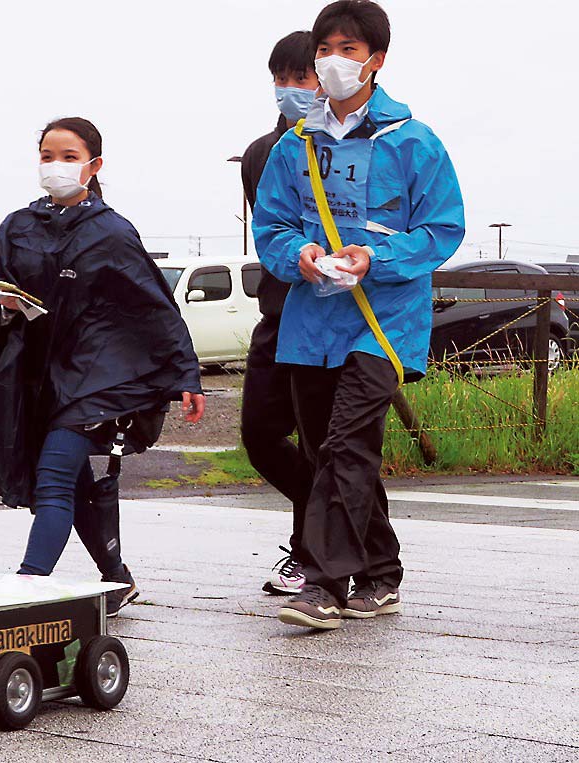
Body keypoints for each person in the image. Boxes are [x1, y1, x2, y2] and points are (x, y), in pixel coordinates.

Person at [252, 0, 464, 629]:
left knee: (345, 442)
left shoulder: (415, 141)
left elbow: (443, 230)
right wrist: (302, 254)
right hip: (312, 323)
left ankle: (322, 583)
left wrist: (378, 256)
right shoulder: (296, 146)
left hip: (385, 323)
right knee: (330, 450)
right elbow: (272, 229)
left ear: (377, 60)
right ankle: (381, 571)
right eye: (325, 49)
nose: (333, 60)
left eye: (348, 49)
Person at [0, 117, 206, 617]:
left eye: (69, 157)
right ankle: (116, 578)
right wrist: (1, 305)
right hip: (38, 376)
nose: (56, 166)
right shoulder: (18, 226)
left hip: (96, 378)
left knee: (53, 478)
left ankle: (27, 584)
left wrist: (184, 375)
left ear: (94, 166)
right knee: (76, 483)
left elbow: (154, 307)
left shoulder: (111, 233)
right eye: (48, 156)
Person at [239, 31, 319, 597]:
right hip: (277, 312)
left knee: (325, 442)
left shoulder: (359, 148)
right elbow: (271, 235)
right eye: (281, 79)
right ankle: (331, 524)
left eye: (301, 78)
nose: (289, 89)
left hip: (334, 319)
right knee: (260, 435)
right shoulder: (260, 154)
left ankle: (311, 551)